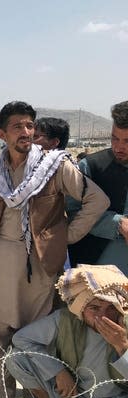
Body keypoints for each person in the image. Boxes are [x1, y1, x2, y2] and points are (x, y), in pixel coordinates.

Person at [0, 101, 110, 398]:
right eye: (18, 126)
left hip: (39, 264)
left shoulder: (53, 166)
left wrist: (66, 235)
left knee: (35, 337)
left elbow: (97, 201)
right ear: (1, 134)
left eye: (30, 126)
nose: (26, 132)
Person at [7, 264, 128, 398]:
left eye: (110, 308)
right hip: (73, 395)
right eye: (94, 308)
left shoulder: (125, 326)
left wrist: (122, 346)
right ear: (81, 307)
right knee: (16, 359)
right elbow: (21, 338)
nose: (102, 316)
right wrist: (57, 371)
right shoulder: (65, 320)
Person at [68, 101, 128, 274]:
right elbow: (72, 213)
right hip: (97, 274)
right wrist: (118, 224)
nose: (119, 147)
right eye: (114, 138)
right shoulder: (91, 167)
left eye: (127, 141)